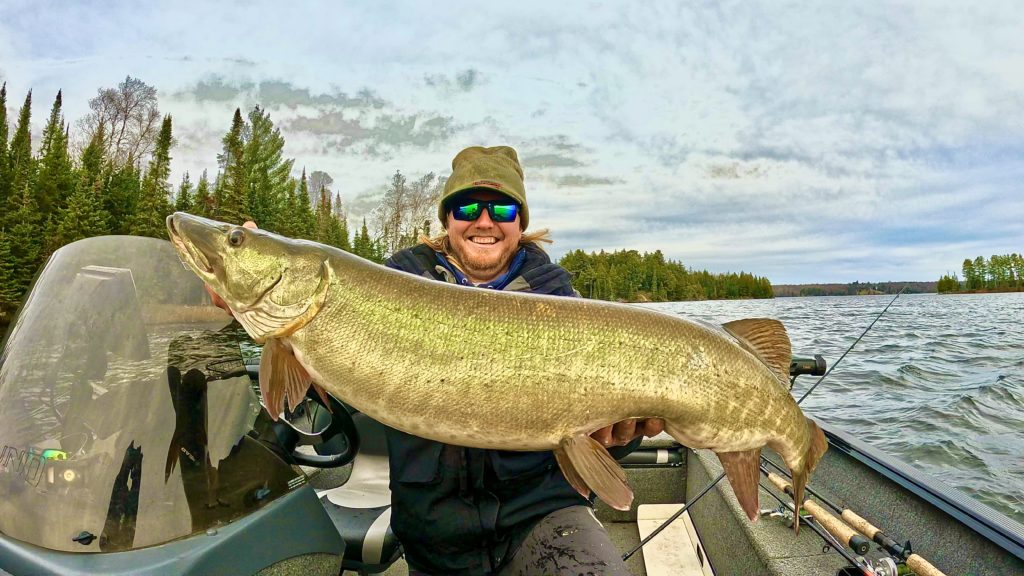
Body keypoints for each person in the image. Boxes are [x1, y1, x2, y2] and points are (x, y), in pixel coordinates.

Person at [383, 145, 664, 575]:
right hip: (435, 535)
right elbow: (323, 391)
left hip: (545, 518)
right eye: (467, 206)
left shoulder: (562, 302)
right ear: (447, 218)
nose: (484, 220)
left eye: (502, 208)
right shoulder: (390, 291)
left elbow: (610, 442)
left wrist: (623, 434)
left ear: (520, 222)